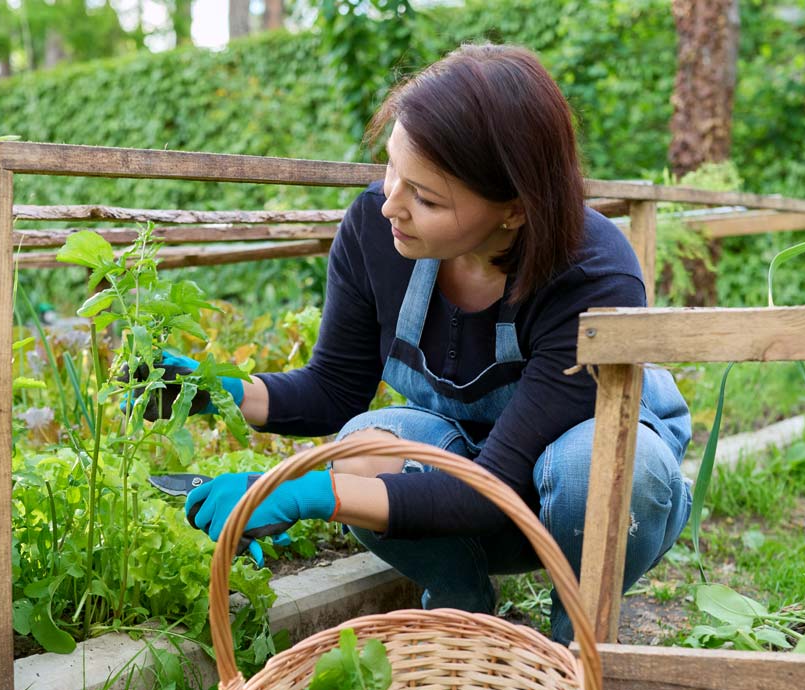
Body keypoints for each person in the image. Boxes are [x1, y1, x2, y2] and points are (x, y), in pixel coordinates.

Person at [172, 43, 692, 644]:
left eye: (426, 197)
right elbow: (335, 390)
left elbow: (493, 486)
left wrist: (309, 492)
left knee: (592, 464)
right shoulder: (376, 228)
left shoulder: (592, 276)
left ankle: (576, 642)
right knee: (353, 446)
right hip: (460, 482)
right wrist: (214, 391)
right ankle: (460, 613)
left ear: (515, 212)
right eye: (393, 167)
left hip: (577, 502)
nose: (391, 202)